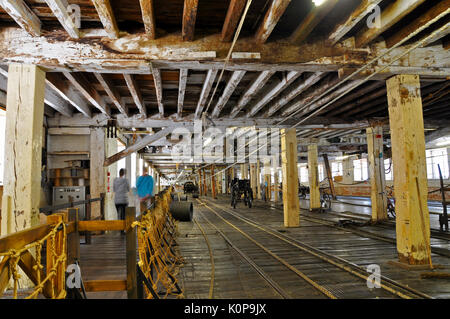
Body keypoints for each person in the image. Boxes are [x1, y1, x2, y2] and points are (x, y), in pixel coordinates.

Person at [113, 168, 130, 234]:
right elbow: (128, 189)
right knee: (123, 215)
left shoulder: (115, 180)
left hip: (117, 200)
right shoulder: (126, 180)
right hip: (124, 200)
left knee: (119, 214)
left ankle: (119, 228)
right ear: (124, 173)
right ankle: (122, 230)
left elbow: (114, 189)